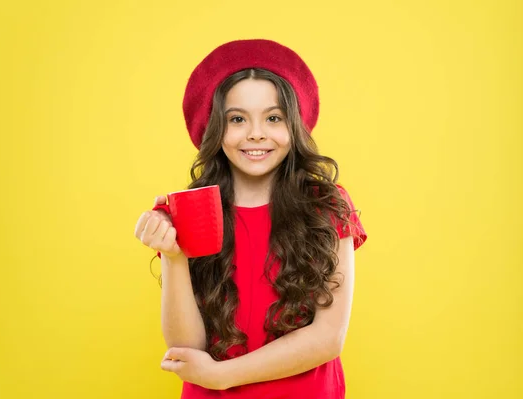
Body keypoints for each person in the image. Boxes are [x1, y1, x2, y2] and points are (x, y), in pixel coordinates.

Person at [134, 39, 367, 399]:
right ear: (215, 129)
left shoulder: (326, 207)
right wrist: (174, 254)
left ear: (294, 125)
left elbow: (327, 339)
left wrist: (222, 375)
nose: (256, 133)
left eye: (273, 118)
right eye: (237, 119)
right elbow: (185, 348)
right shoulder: (193, 209)